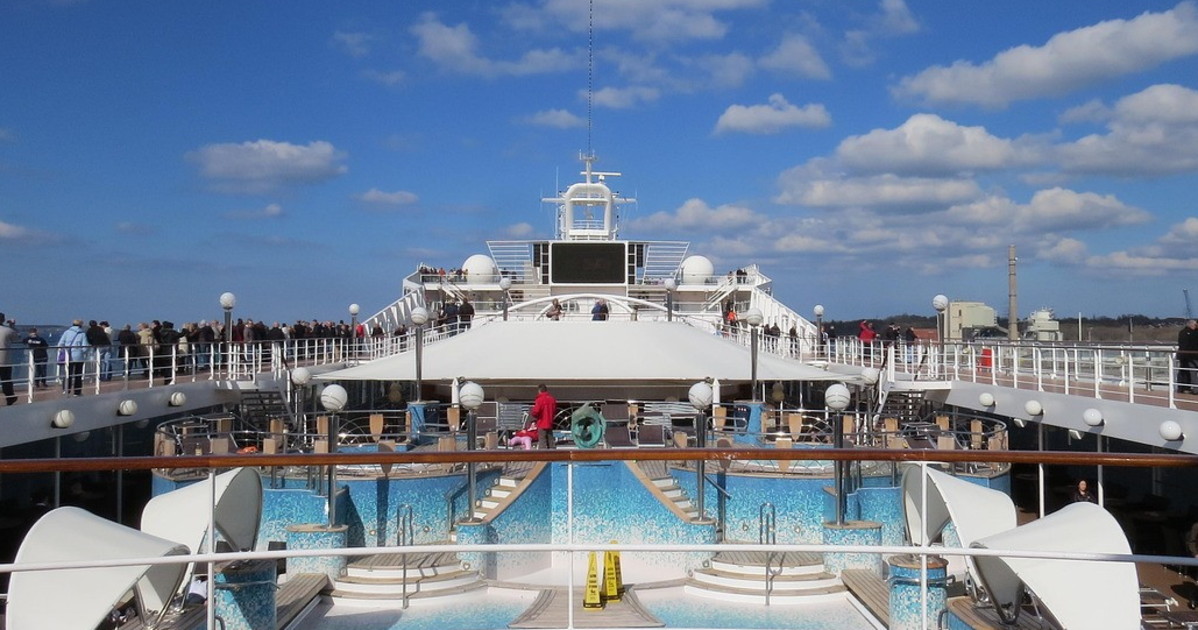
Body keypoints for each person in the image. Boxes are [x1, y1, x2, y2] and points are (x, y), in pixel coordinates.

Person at [59, 319, 89, 396]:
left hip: (68, 356)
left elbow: (60, 344)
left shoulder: (66, 332)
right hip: (79, 357)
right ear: (80, 325)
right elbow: (85, 347)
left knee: (67, 374)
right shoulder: (82, 334)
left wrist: (65, 350)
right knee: (78, 375)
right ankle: (77, 392)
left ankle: (66, 390)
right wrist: (83, 352)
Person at [530, 384, 557, 449]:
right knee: (551, 441)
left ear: (539, 391)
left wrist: (533, 415)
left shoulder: (539, 400)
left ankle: (543, 457)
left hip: (541, 422)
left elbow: (535, 411)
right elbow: (554, 411)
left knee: (542, 441)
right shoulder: (552, 399)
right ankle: (553, 455)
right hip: (549, 422)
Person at [0, 314, 19, 405]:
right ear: (3, 320)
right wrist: (12, 326)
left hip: (4, 361)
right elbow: (17, 338)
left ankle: (10, 397)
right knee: (6, 380)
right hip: (4, 361)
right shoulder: (8, 331)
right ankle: (10, 397)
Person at [1179, 320, 1198, 394]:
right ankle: (1188, 388)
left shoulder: (1184, 332)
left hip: (1189, 356)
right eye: (1195, 325)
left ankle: (1187, 388)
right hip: (1190, 356)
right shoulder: (1188, 333)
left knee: (1190, 372)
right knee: (1190, 372)